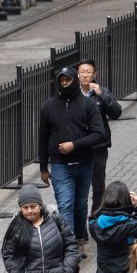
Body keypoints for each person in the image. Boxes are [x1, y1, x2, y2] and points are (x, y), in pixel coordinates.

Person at [39, 67, 106, 256]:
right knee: (65, 204)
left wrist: (74, 145)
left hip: (84, 163)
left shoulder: (88, 105)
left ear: (74, 80)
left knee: (80, 204)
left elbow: (99, 133)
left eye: (67, 79)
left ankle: (78, 239)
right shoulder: (49, 107)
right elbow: (43, 138)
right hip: (60, 165)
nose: (64, 83)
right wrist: (44, 167)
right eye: (61, 80)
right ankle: (69, 246)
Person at [77, 59, 124, 216]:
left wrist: (102, 95)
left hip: (98, 147)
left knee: (98, 186)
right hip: (80, 147)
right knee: (80, 187)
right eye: (82, 72)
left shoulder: (101, 91)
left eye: (88, 72)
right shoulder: (73, 94)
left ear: (94, 74)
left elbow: (116, 112)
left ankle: (94, 219)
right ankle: (80, 225)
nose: (85, 75)